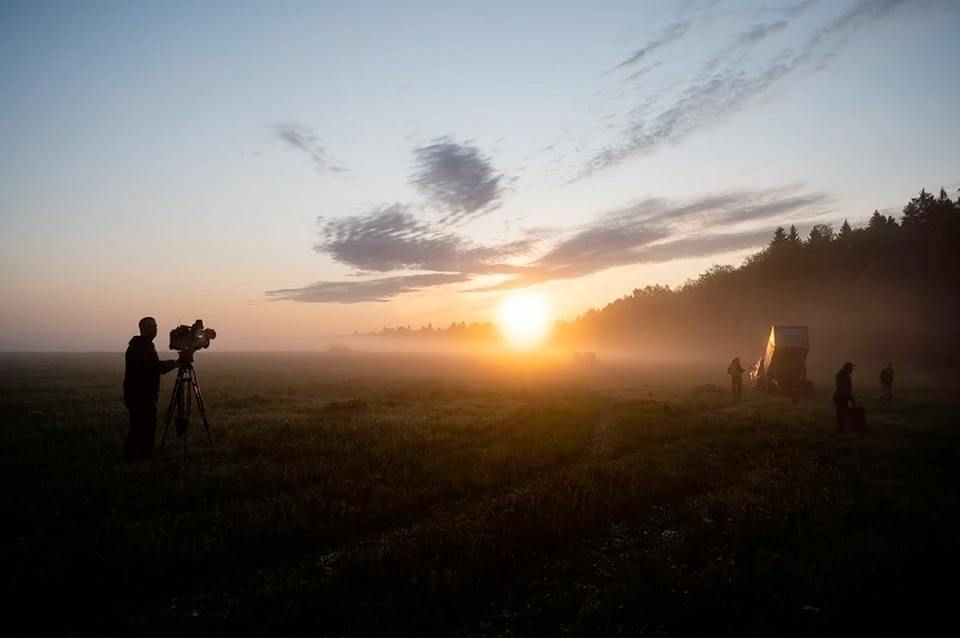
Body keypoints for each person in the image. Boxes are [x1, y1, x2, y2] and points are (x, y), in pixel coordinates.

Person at [123, 317, 179, 461]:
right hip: (141, 396)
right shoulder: (141, 347)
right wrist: (176, 363)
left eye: (155, 326)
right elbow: (155, 368)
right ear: (142, 329)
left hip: (138, 395)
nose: (154, 329)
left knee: (137, 428)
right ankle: (141, 459)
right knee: (143, 429)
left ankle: (133, 459)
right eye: (150, 327)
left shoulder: (141, 345)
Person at [833, 361, 856, 432]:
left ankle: (841, 428)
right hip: (841, 396)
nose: (852, 369)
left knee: (841, 412)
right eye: (851, 367)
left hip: (841, 395)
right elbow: (843, 388)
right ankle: (841, 428)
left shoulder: (842, 374)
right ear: (848, 368)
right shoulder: (843, 375)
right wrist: (850, 397)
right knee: (842, 412)